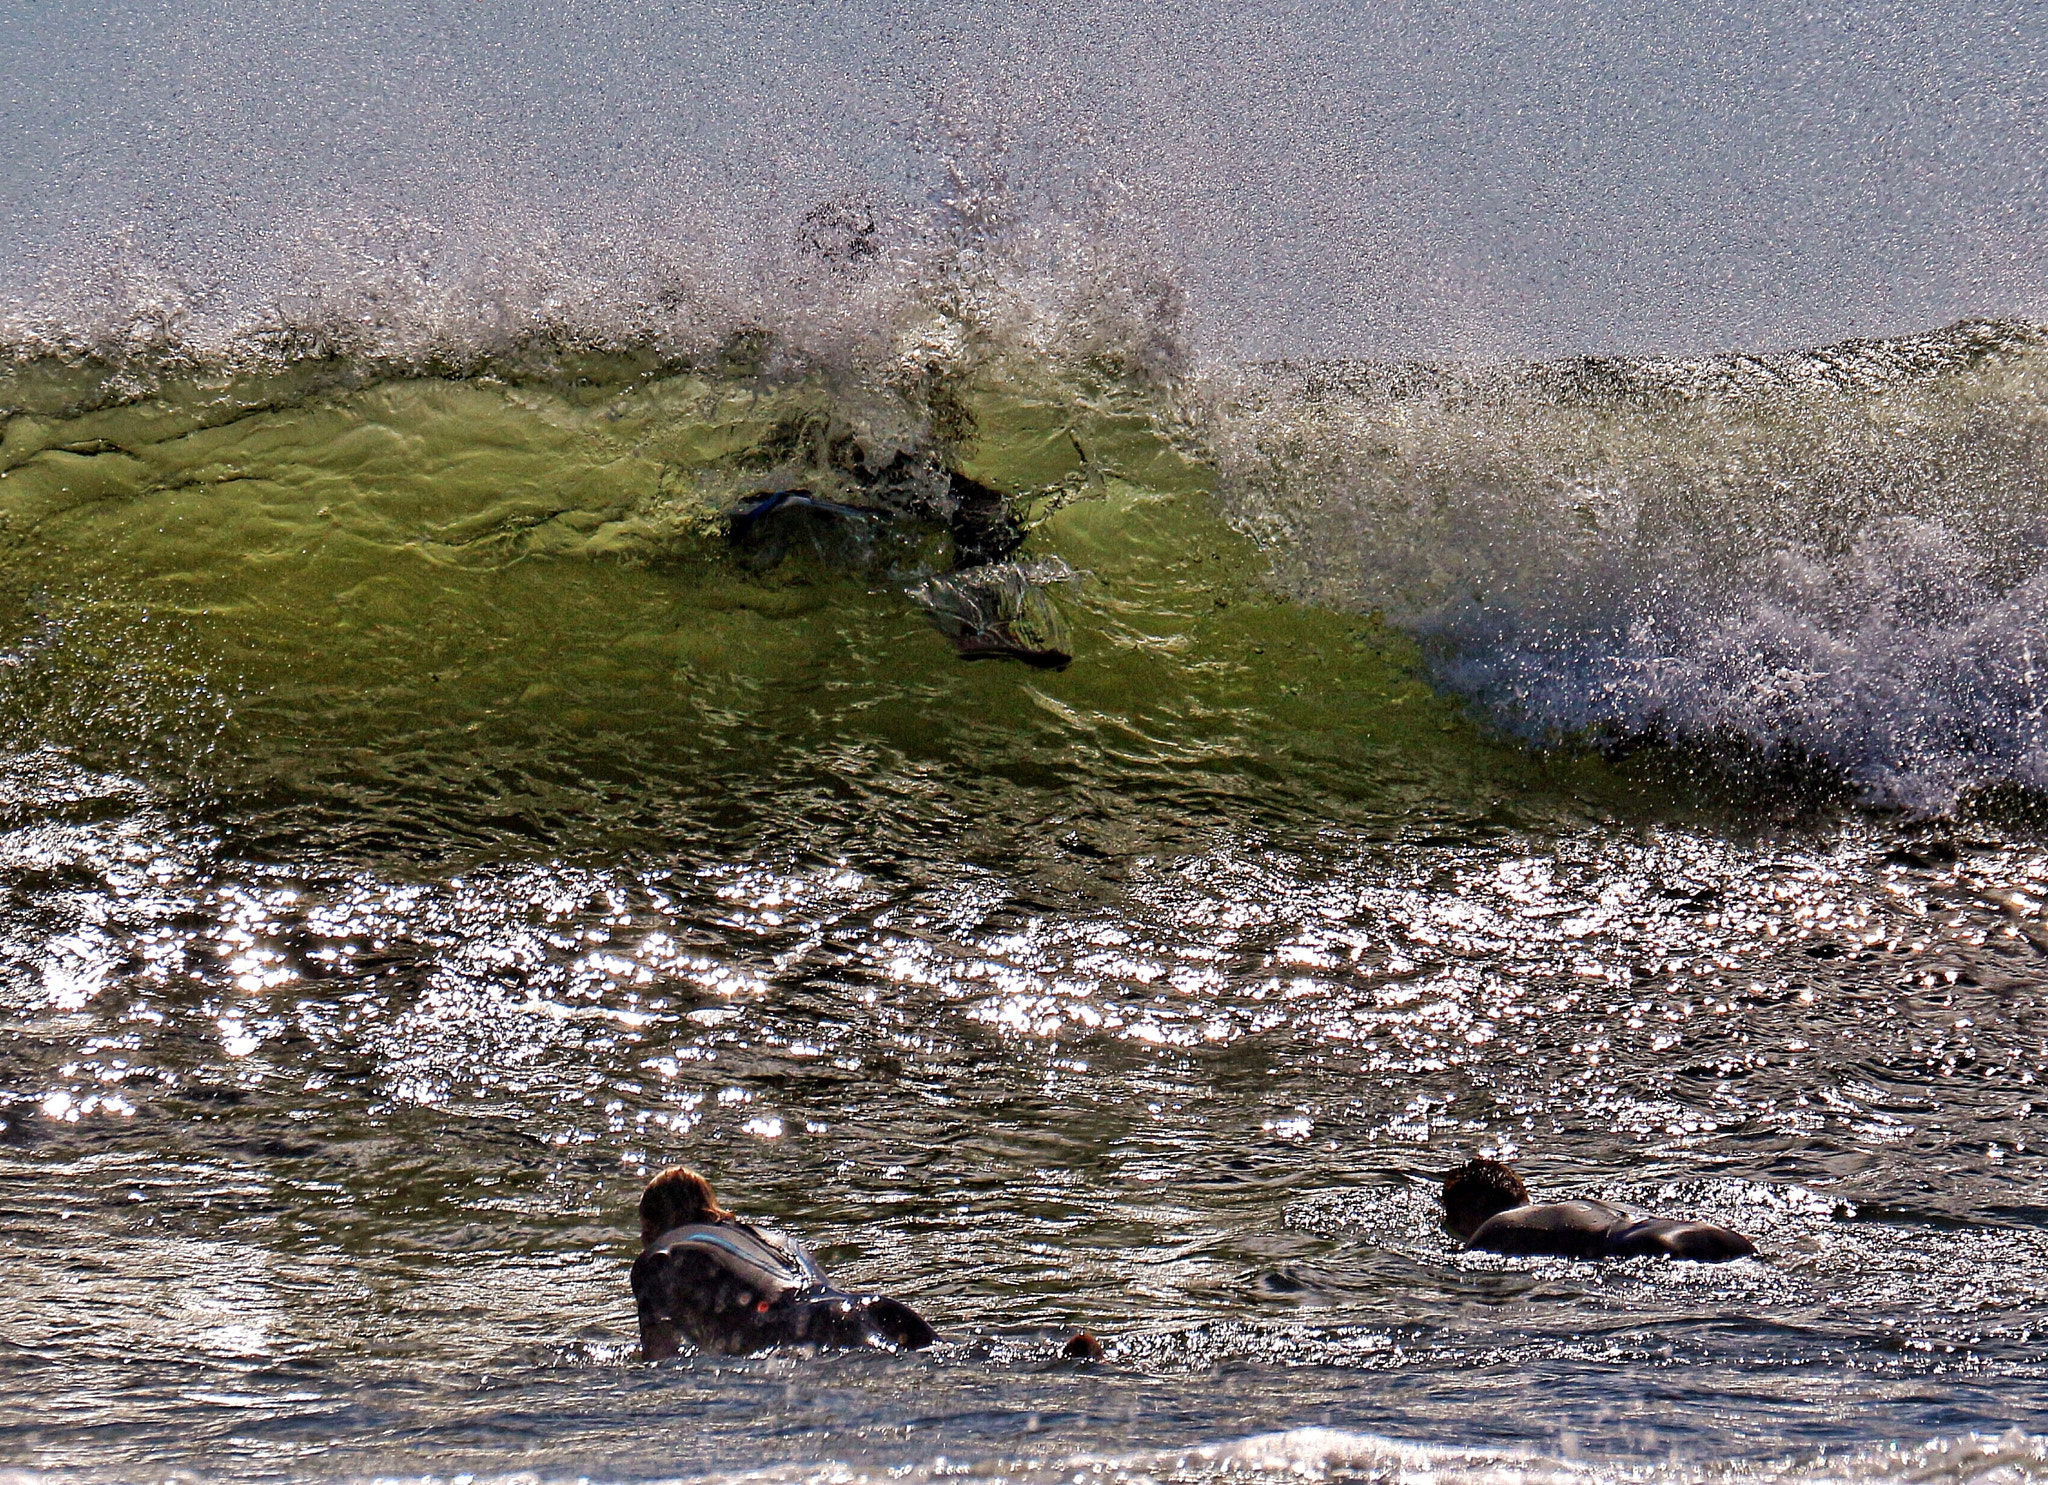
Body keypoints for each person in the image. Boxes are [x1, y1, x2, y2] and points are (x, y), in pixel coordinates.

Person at [631, 1167, 937, 1359]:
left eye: (645, 1231)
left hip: (812, 1334)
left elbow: (660, 1358)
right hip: (878, 1309)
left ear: (655, 1226)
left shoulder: (660, 1254)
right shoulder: (772, 1239)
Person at [1439, 1158, 1756, 1262]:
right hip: (1714, 1235)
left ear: (1468, 1214)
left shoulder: (1496, 1229)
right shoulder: (1578, 1207)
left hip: (1654, 1249)